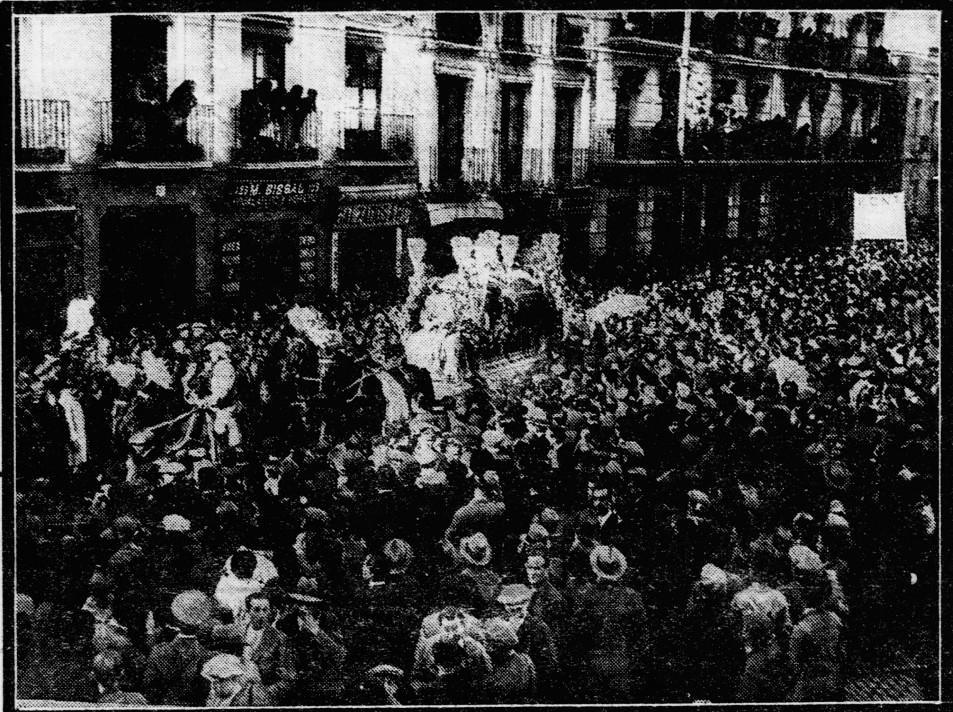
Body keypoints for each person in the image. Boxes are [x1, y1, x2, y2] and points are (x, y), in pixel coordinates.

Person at [567, 546, 649, 702]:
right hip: (622, 659)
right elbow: (641, 635)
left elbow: (576, 633)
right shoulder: (632, 596)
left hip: (593, 660)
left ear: (595, 568)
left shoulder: (586, 596)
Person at [142, 590, 215, 705]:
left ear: (176, 620)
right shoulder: (208, 656)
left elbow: (149, 689)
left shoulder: (158, 651)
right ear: (201, 622)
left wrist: (150, 632)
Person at [475, 618, 537, 703]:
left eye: (490, 643)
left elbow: (491, 689)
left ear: (500, 645)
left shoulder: (502, 664)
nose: (487, 648)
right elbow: (532, 688)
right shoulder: (525, 659)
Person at [201, 653, 273, 707]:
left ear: (234, 678)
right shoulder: (215, 696)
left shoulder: (250, 695)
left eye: (220, 680)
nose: (213, 685)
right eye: (213, 680)